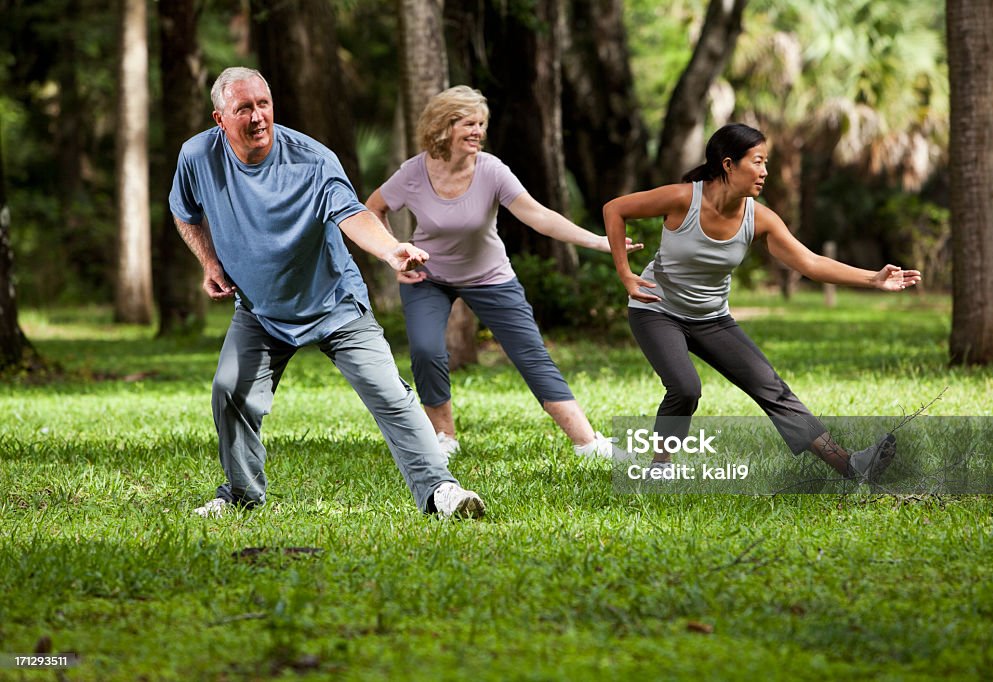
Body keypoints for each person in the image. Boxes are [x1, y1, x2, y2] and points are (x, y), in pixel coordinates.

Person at [169, 67, 484, 518]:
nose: (258, 117)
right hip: (261, 309)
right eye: (244, 109)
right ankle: (241, 495)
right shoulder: (197, 156)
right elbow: (184, 210)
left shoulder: (312, 159)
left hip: (333, 304)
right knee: (229, 392)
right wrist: (210, 262)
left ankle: (441, 491)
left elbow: (350, 212)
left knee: (390, 395)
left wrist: (391, 250)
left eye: (264, 104)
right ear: (220, 119)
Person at [602, 123, 922, 481]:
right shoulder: (683, 199)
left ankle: (850, 466)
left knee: (773, 389)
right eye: (757, 162)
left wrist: (873, 278)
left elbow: (811, 263)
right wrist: (626, 274)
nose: (765, 172)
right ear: (728, 165)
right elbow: (615, 210)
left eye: (766, 162)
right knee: (686, 388)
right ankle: (659, 469)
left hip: (712, 319)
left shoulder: (759, 218)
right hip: (657, 310)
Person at [366, 86, 641, 462]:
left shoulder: (492, 171)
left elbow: (539, 215)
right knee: (427, 351)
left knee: (531, 354)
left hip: (490, 276)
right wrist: (393, 255)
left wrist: (599, 242)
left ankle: (588, 443)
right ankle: (443, 437)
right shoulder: (413, 172)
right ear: (443, 127)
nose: (478, 131)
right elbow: (372, 210)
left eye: (481, 123)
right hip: (428, 277)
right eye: (468, 123)